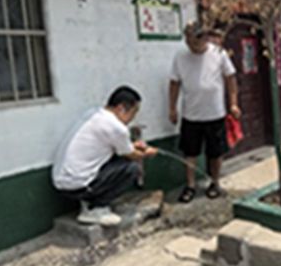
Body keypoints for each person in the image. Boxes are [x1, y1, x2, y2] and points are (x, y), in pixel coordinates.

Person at [52, 86, 159, 227]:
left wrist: (133, 146)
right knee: (131, 168)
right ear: (121, 108)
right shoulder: (116, 128)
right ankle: (95, 209)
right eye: (134, 112)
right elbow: (131, 155)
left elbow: (117, 146)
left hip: (62, 181)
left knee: (115, 159)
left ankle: (88, 202)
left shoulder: (94, 114)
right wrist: (147, 153)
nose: (133, 118)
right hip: (78, 185)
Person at [169, 22, 240, 202]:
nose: (190, 45)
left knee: (215, 152)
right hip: (190, 114)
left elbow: (231, 79)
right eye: (188, 41)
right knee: (190, 152)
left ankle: (215, 182)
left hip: (215, 113)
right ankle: (190, 185)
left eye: (194, 42)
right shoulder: (180, 56)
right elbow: (174, 83)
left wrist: (233, 104)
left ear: (205, 39)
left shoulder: (218, 54)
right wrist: (172, 108)